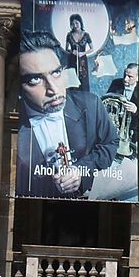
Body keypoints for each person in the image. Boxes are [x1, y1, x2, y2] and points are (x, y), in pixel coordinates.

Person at [16, 37, 119, 198]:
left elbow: (110, 143)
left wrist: (81, 170)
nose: (53, 89)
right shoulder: (14, 123)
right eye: (35, 79)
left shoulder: (91, 104)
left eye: (56, 73)